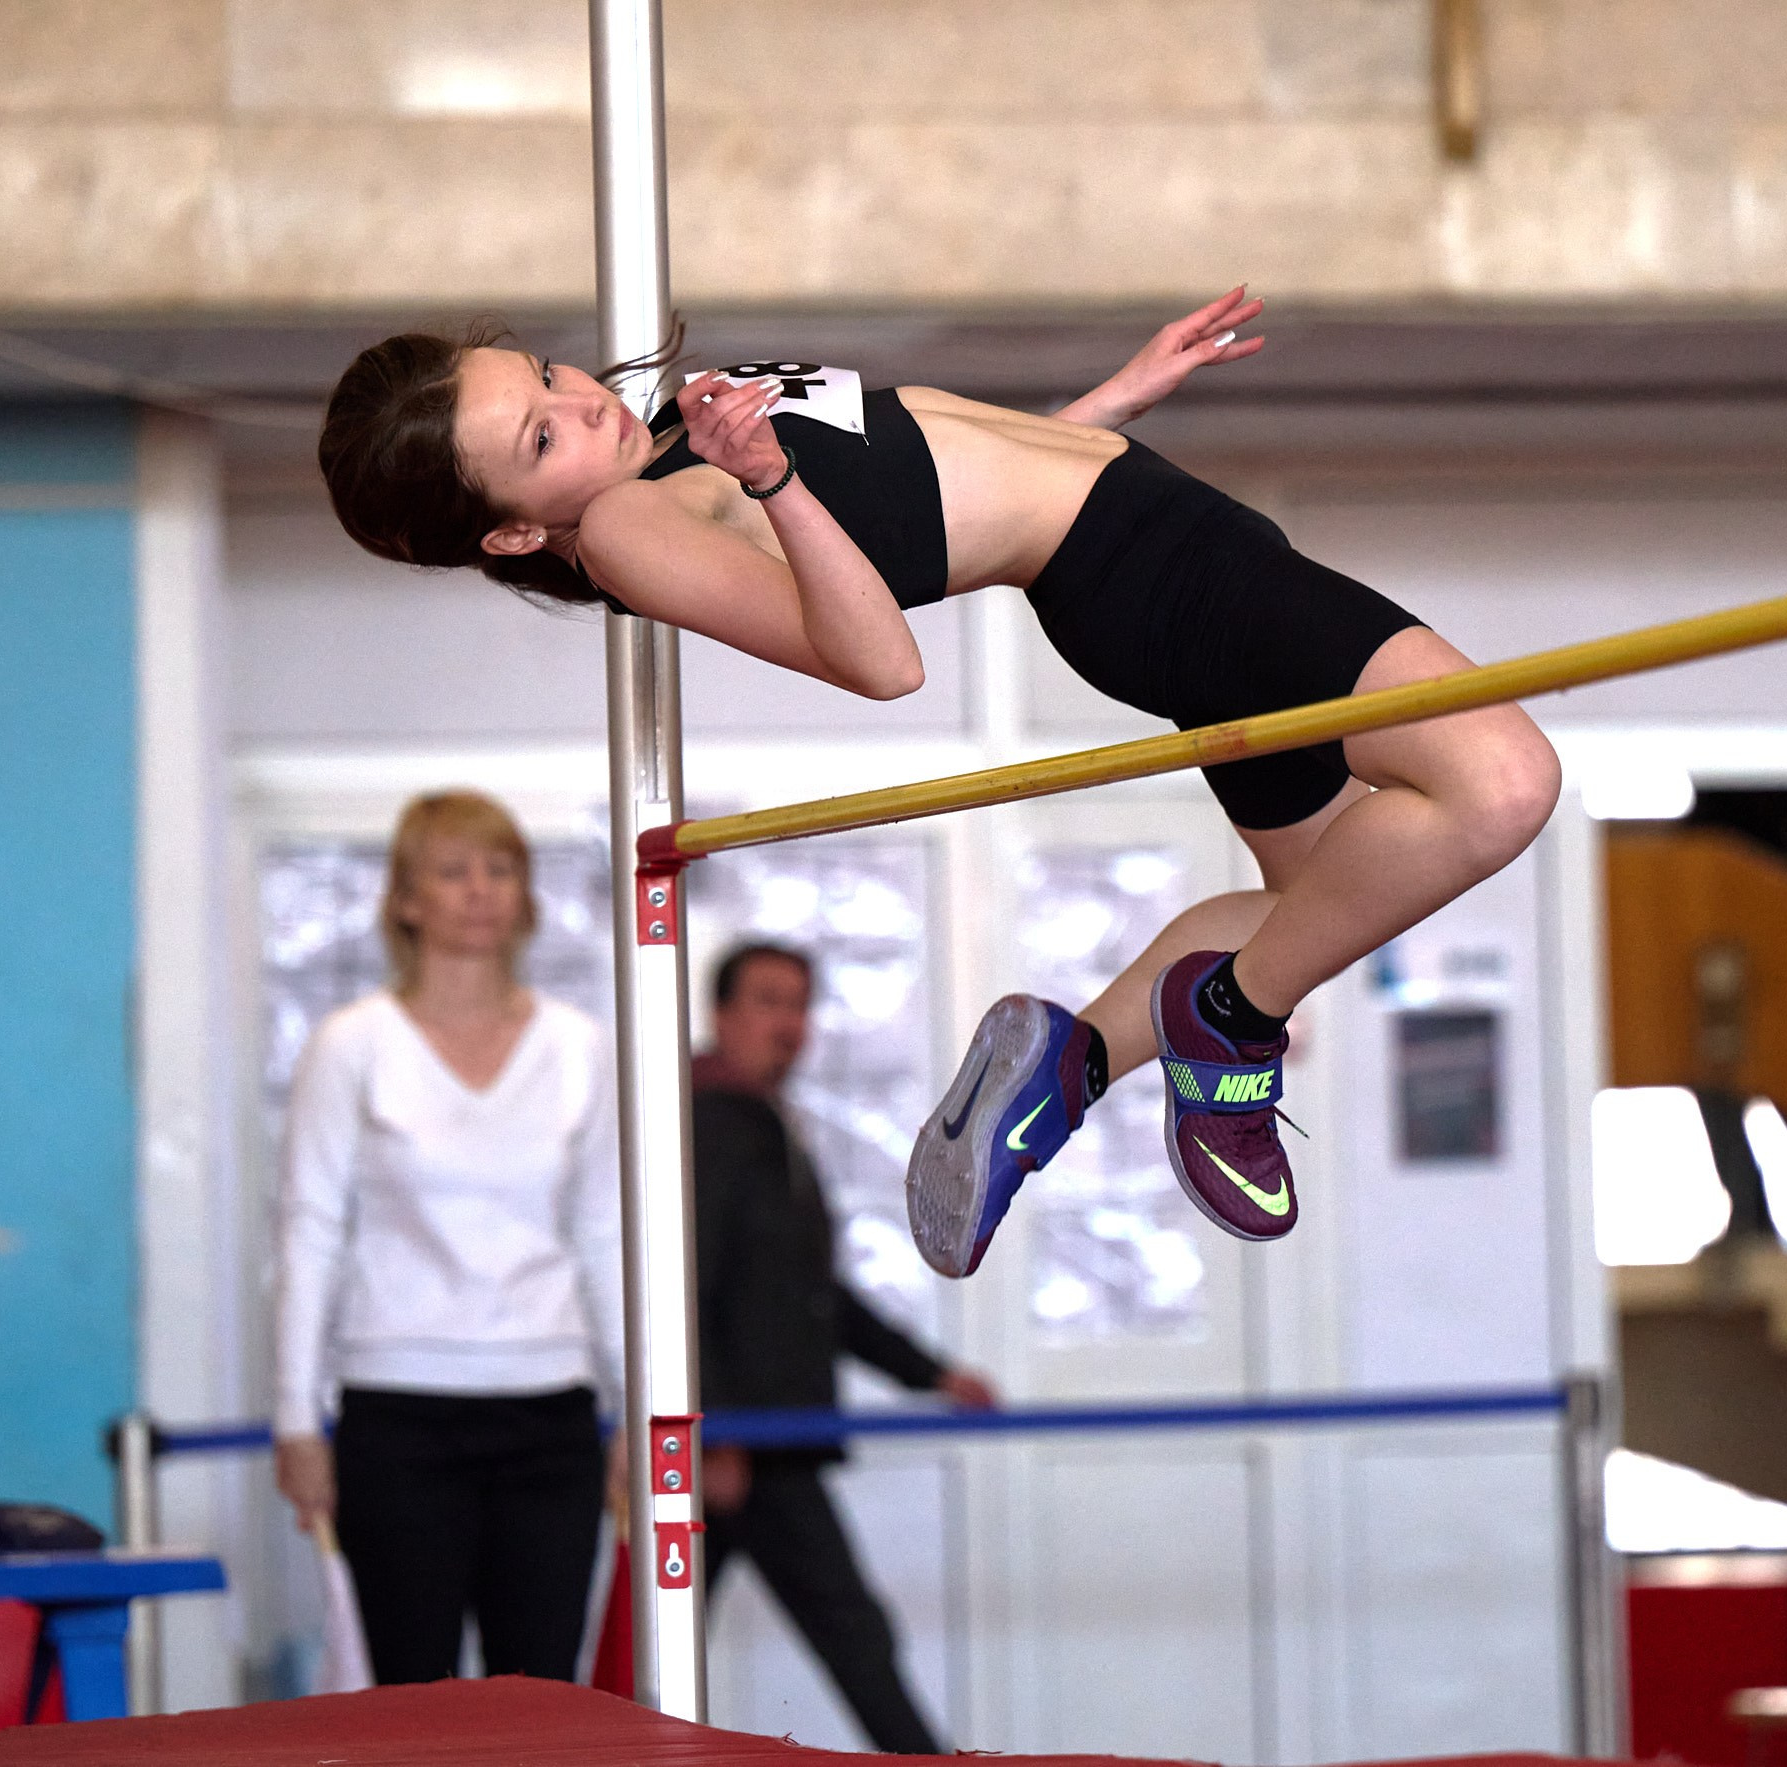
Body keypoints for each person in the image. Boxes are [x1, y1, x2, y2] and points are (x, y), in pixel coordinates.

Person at [316, 287, 1562, 1281]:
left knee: (1315, 894)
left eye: (544, 377)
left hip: (1143, 538)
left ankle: (1069, 1066)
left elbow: (928, 488)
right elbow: (879, 660)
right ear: (514, 533)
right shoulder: (636, 526)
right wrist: (770, 481)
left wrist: (1104, 407)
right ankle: (1227, 1024)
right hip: (1160, 577)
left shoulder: (669, 448)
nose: (581, 405)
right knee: (1500, 780)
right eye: (542, 437)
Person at [272, 790, 622, 1685]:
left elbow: (604, 1231)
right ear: (405, 899)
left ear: (527, 895)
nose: (479, 890)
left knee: (544, 1704)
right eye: (453, 869)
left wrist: (642, 1405)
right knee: (410, 1704)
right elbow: (308, 1230)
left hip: (551, 1411)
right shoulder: (351, 1044)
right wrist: (294, 1419)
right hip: (397, 1414)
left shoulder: (582, 1046)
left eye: (500, 868)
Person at [692, 940, 996, 1753]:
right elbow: (681, 1285)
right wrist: (712, 1430)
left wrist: (931, 1372)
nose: (788, 1023)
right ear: (720, 1014)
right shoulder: (712, 1123)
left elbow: (811, 1291)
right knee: (852, 1636)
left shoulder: (758, 1119)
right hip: (747, 1445)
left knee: (673, 1644)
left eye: (798, 1003)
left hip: (767, 1439)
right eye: (766, 1000)